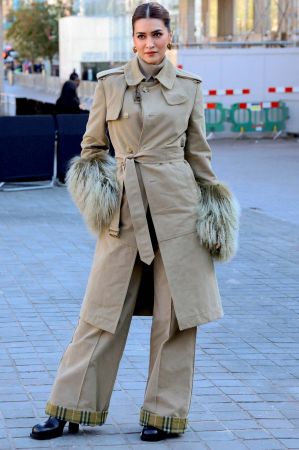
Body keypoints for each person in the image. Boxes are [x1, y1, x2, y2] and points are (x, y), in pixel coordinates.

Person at [30, 1, 239, 443]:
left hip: (179, 214)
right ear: (133, 39)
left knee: (176, 317)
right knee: (100, 313)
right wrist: (100, 200)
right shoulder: (109, 84)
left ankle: (163, 414)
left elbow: (199, 157)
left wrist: (216, 213)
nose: (149, 43)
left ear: (169, 37)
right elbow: (91, 151)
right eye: (141, 36)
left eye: (157, 34)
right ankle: (71, 406)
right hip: (124, 214)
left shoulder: (189, 87)